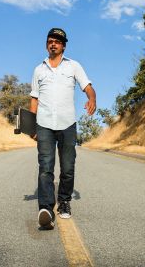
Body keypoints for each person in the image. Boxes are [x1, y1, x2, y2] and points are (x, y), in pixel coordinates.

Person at [29, 27, 96, 230]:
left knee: (67, 168)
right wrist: (32, 126)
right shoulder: (38, 70)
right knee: (45, 168)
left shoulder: (74, 66)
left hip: (67, 124)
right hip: (44, 124)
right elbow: (34, 99)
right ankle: (46, 209)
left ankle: (64, 201)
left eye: (57, 41)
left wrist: (92, 98)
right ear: (46, 44)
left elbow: (87, 86)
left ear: (63, 45)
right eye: (50, 40)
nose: (53, 43)